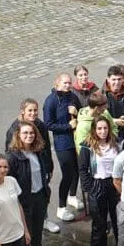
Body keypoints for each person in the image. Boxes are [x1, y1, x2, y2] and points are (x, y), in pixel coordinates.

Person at [6, 120, 56, 246]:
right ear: (18, 135)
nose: (29, 135)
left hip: (39, 195)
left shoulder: (38, 151)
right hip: (23, 200)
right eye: (25, 133)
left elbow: (43, 173)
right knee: (25, 232)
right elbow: (8, 182)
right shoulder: (12, 157)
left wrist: (45, 192)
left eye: (32, 133)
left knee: (38, 227)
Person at [5, 99, 60, 235]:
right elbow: (9, 152)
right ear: (23, 112)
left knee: (41, 194)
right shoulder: (14, 129)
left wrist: (49, 167)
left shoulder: (40, 125)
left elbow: (46, 147)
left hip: (39, 168)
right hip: (24, 173)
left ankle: (44, 220)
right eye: (30, 110)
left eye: (35, 110)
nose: (33, 113)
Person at [79, 115, 120, 246]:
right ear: (94, 130)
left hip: (114, 184)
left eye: (105, 128)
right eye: (99, 128)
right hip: (97, 184)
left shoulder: (116, 143)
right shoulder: (87, 146)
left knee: (118, 219)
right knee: (99, 223)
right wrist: (90, 188)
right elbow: (83, 169)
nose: (103, 131)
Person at [43, 73, 82, 222]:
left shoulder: (73, 97)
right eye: (65, 83)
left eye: (69, 83)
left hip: (76, 139)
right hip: (62, 142)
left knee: (77, 170)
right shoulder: (51, 100)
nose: (68, 85)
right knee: (67, 173)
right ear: (57, 83)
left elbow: (82, 114)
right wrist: (67, 126)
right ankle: (61, 207)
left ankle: (72, 196)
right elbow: (49, 124)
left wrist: (76, 113)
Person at [103, 65, 124, 143]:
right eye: (113, 79)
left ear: (123, 79)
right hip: (111, 134)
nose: (117, 82)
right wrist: (113, 121)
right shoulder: (101, 96)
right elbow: (97, 118)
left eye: (119, 79)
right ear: (108, 79)